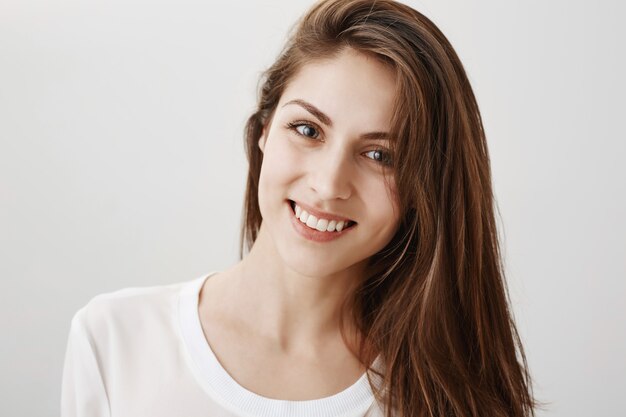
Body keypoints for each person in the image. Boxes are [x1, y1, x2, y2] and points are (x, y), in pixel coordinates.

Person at [61, 1, 537, 416]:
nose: (329, 185)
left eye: (380, 155)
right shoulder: (114, 341)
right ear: (264, 130)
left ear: (426, 190)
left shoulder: (450, 392)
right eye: (308, 130)